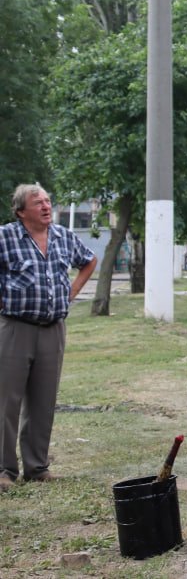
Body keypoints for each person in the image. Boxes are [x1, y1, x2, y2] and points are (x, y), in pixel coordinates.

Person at [0, 184, 98, 492]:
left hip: (53, 329)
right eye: (37, 202)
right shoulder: (5, 237)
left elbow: (88, 260)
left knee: (44, 400)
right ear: (20, 211)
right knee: (6, 402)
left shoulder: (63, 237)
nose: (45, 206)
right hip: (15, 328)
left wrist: (73, 291)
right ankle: (4, 470)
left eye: (47, 201)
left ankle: (37, 467)